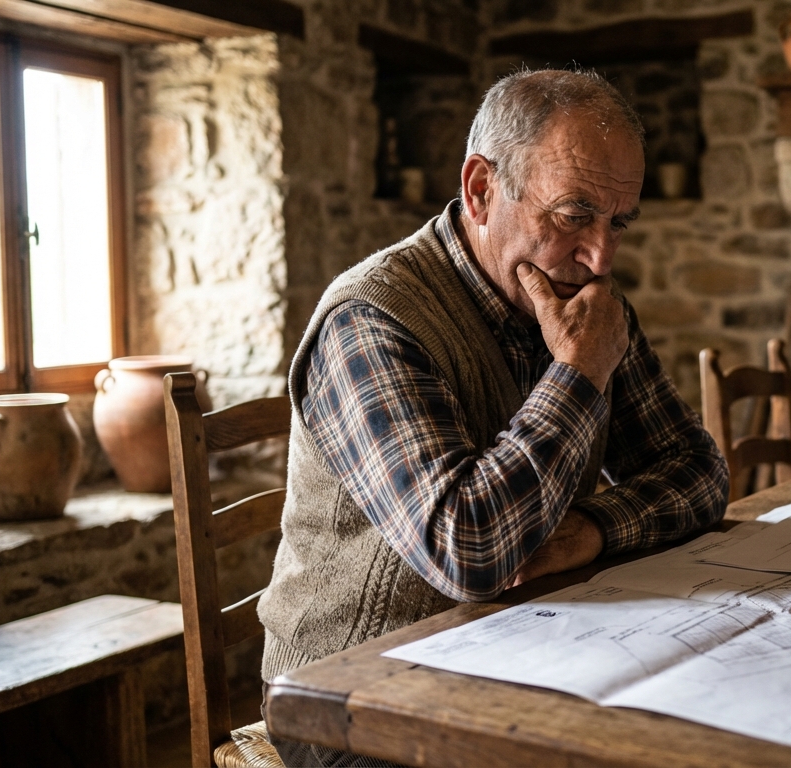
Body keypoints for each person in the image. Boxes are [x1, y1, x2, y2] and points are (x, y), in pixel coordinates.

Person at [258, 68, 729, 766]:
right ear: (482, 189)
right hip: (349, 695)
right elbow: (468, 551)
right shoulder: (370, 319)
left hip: (519, 646)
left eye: (617, 222)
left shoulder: (586, 303)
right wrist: (578, 373)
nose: (601, 255)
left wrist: (594, 531)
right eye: (573, 215)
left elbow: (699, 473)